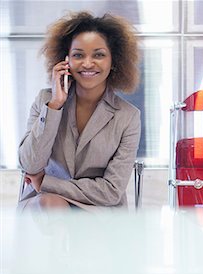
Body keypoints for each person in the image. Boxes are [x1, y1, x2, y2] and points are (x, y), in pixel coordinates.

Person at [17, 11, 141, 212]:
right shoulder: (45, 101)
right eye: (78, 55)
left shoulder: (128, 117)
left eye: (99, 55)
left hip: (97, 211)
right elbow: (30, 165)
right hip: (45, 207)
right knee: (50, 203)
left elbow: (111, 191)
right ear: (65, 60)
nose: (87, 63)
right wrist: (55, 106)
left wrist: (47, 183)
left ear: (113, 61)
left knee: (54, 203)